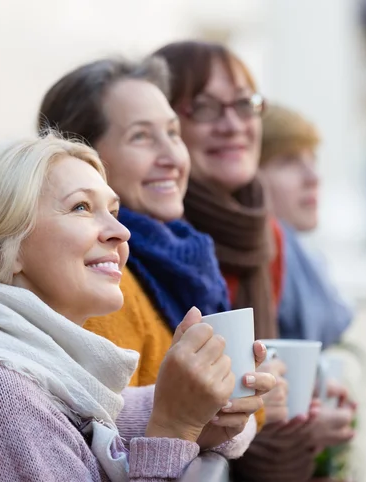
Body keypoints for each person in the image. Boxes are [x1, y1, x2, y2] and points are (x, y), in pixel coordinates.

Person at [0, 134, 273, 481]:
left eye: (113, 210)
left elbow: (118, 414)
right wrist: (173, 429)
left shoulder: (60, 384)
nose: (120, 232)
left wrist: (202, 417)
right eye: (81, 207)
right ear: (5, 246)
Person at [38, 57, 276, 441]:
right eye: (142, 137)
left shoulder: (182, 257)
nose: (172, 158)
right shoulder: (98, 275)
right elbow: (104, 434)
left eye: (173, 133)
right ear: (79, 159)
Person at [151, 40, 320, 481]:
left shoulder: (267, 235)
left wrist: (304, 409)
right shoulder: (143, 239)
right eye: (204, 108)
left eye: (245, 105)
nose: (233, 125)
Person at [258, 104, 353, 348]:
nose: (313, 177)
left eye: (313, 159)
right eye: (288, 161)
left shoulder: (306, 258)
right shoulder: (257, 264)